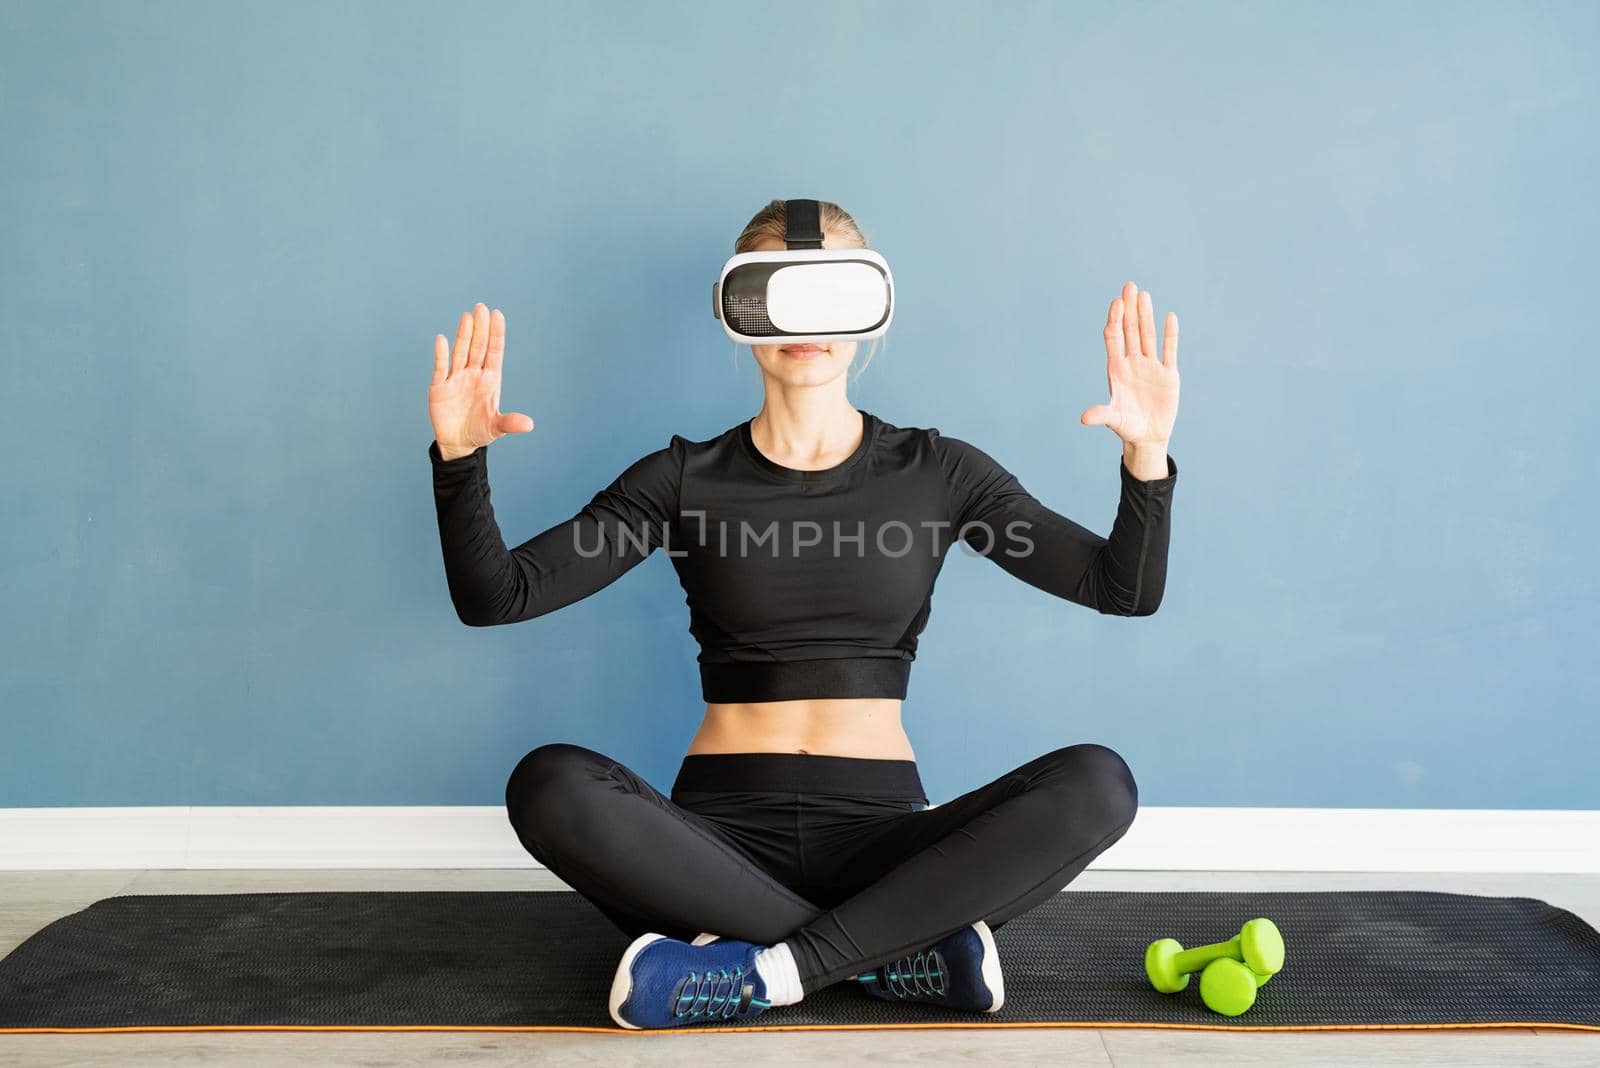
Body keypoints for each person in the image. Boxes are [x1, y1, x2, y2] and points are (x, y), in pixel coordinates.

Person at [426, 199, 1180, 1030]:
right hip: (711, 849)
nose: (806, 324)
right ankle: (892, 960)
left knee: (1098, 782)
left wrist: (1146, 458)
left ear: (871, 311)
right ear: (738, 312)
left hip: (887, 848)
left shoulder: (941, 473)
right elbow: (501, 596)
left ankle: (762, 973)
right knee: (548, 781)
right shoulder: (682, 478)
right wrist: (460, 462)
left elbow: (1121, 588)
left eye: (831, 295)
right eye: (779, 295)